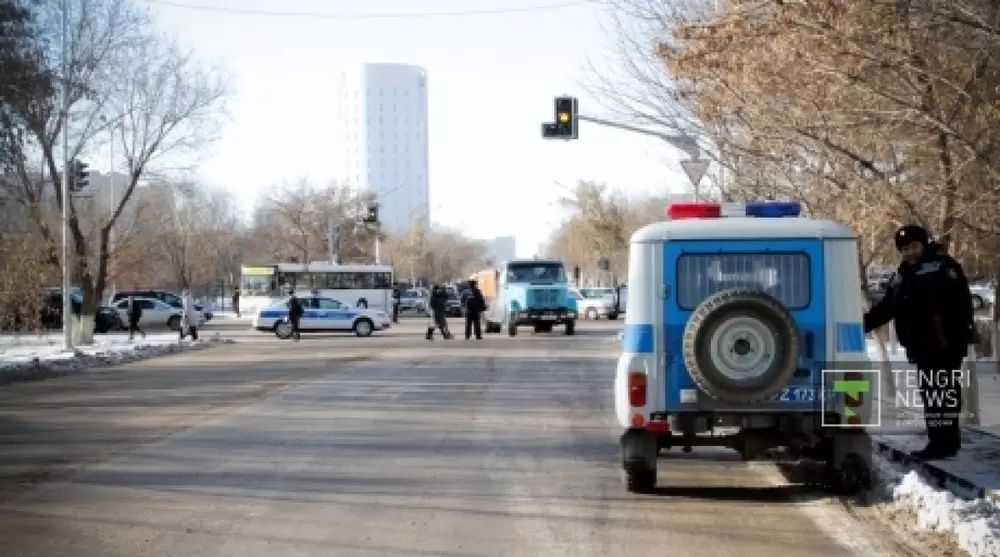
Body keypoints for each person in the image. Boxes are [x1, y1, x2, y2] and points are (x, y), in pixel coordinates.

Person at [864, 225, 973, 460]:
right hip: (921, 346)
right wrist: (862, 324)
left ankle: (943, 443)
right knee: (931, 393)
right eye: (904, 249)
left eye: (914, 246)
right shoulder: (903, 274)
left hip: (943, 345)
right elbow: (888, 307)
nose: (910, 252)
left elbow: (961, 306)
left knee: (942, 393)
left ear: (924, 244)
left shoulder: (942, 267)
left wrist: (956, 339)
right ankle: (942, 441)